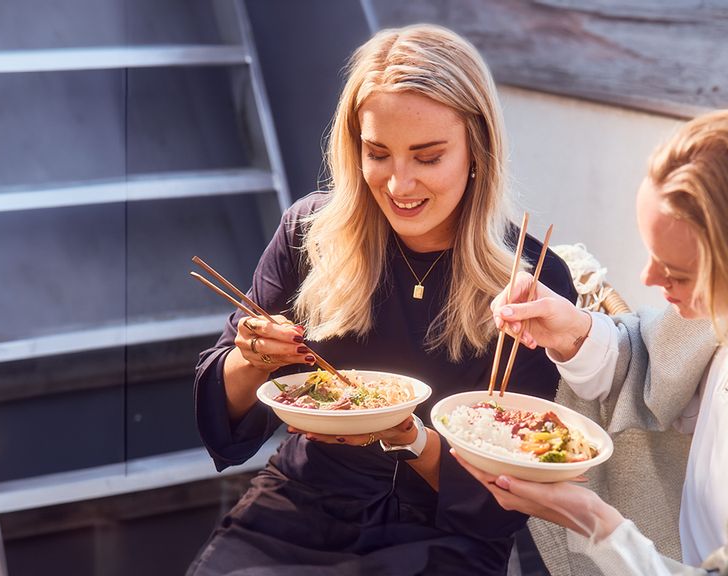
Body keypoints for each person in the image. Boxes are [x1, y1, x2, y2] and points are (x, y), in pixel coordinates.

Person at [189, 24, 577, 575]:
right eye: (378, 153)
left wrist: (409, 436)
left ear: (477, 150)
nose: (399, 185)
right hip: (306, 495)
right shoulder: (311, 232)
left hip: (447, 526)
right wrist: (253, 360)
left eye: (427, 157)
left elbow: (510, 486)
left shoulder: (533, 278)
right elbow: (221, 418)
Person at [454, 105, 728, 575]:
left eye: (677, 272)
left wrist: (592, 522)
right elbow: (656, 364)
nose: (648, 279)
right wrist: (576, 332)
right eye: (653, 257)